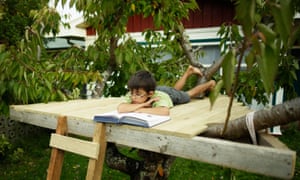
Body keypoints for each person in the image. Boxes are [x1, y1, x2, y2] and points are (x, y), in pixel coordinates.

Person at [117, 65, 216, 116]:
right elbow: (120, 108)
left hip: (168, 94)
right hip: (159, 89)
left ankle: (210, 83)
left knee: (187, 95)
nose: (133, 97)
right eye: (132, 93)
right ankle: (189, 71)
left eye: (138, 94)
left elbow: (164, 111)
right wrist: (142, 104)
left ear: (150, 94)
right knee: (175, 89)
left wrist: (138, 109)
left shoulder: (159, 97)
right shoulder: (135, 92)